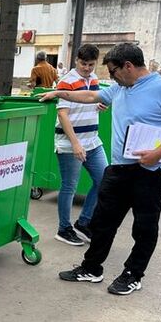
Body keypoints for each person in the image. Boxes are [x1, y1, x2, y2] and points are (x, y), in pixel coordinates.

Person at [39, 43, 161, 295]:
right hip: (120, 169)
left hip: (151, 172)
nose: (110, 77)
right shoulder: (120, 87)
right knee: (102, 221)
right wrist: (60, 94)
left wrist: (157, 153)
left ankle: (133, 274)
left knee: (144, 227)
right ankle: (91, 268)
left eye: (113, 72)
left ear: (128, 66)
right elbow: (91, 96)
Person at [52, 44, 108, 247]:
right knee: (70, 186)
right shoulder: (66, 81)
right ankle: (64, 229)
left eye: (91, 64)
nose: (87, 68)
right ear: (77, 60)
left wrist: (99, 106)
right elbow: (63, 114)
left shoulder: (94, 79)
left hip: (93, 140)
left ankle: (84, 222)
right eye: (83, 64)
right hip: (70, 143)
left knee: (104, 180)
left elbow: (91, 100)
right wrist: (75, 144)